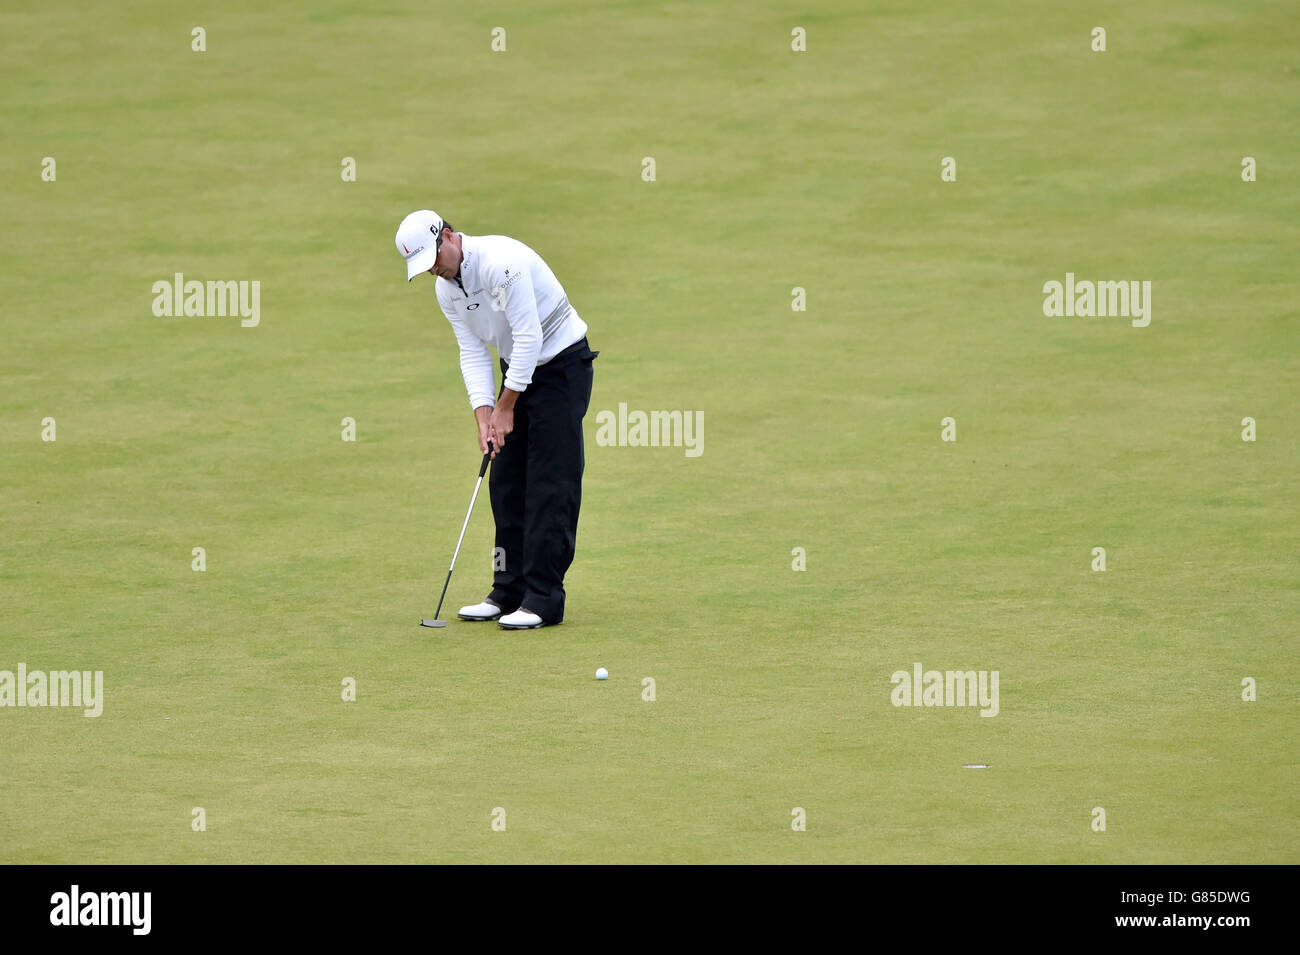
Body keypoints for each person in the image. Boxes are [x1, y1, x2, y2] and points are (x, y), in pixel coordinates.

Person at [395, 210, 598, 630]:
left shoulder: (500, 262)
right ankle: (508, 590)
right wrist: (484, 417)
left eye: (435, 258)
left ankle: (544, 597)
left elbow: (529, 336)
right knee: (505, 481)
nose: (434, 269)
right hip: (519, 372)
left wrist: (506, 407)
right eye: (425, 267)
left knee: (549, 483)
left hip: (561, 366)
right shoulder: (446, 290)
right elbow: (471, 352)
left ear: (448, 236)